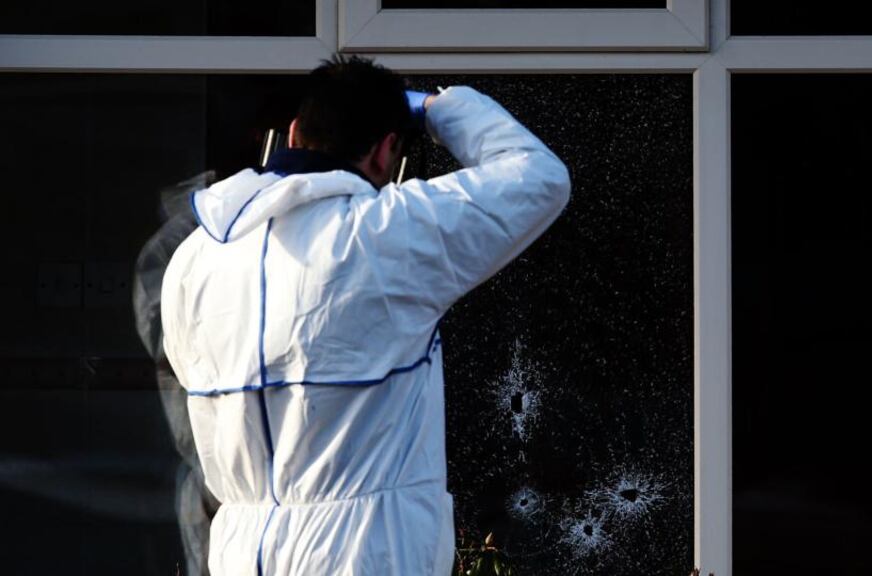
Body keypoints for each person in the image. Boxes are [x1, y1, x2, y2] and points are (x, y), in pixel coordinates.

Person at [159, 54, 570, 575]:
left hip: (242, 553)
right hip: (364, 552)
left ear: (292, 133)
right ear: (384, 152)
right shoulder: (386, 234)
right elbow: (538, 177)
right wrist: (437, 109)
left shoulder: (196, 258)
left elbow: (192, 379)